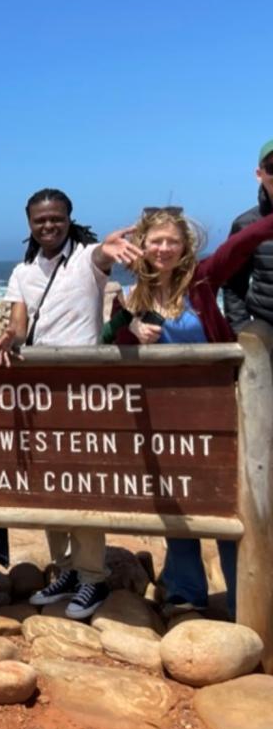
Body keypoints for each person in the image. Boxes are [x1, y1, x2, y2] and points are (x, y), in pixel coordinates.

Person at [103, 205, 273, 618]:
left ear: (185, 247)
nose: (163, 249)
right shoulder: (132, 298)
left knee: (228, 505)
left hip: (218, 417)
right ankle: (185, 595)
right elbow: (112, 341)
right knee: (176, 501)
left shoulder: (201, 279)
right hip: (163, 420)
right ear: (141, 246)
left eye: (172, 242)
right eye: (156, 241)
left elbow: (242, 243)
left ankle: (241, 603)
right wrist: (133, 331)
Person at [0, 188, 141, 619]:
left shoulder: (88, 256)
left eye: (56, 218)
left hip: (84, 391)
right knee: (47, 485)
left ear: (68, 217)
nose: (48, 226)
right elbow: (20, 324)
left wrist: (110, 249)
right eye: (40, 220)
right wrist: (9, 337)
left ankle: (93, 577)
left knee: (84, 483)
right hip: (39, 391)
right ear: (29, 224)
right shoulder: (23, 271)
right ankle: (67, 569)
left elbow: (103, 257)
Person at [222, 138, 273, 333]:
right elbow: (233, 284)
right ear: (259, 174)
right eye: (272, 167)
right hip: (267, 335)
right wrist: (241, 330)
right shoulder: (246, 225)